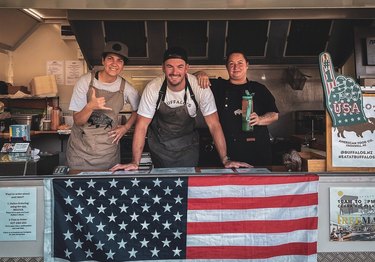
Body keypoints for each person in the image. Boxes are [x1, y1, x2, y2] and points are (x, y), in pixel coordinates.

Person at [110, 46, 250, 171]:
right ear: (163, 68)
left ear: (187, 68)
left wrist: (225, 159)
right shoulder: (153, 88)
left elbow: (214, 124)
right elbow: (142, 125)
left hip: (188, 148)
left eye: (180, 66)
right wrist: (135, 162)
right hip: (160, 148)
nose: (174, 71)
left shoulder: (199, 87)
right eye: (169, 66)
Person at [196, 50, 279, 166]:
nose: (236, 67)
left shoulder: (259, 88)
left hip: (257, 152)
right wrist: (200, 73)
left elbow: (274, 114)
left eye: (240, 63)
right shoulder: (218, 86)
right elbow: (192, 80)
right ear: (226, 67)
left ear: (247, 65)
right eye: (231, 64)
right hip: (228, 152)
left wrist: (260, 119)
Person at [66, 41, 140, 170]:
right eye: (110, 58)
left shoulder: (126, 88)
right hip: (80, 154)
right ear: (103, 61)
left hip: (108, 155)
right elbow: (78, 121)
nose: (114, 64)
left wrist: (126, 127)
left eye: (119, 61)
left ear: (123, 66)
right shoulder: (85, 82)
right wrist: (90, 106)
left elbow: (139, 110)